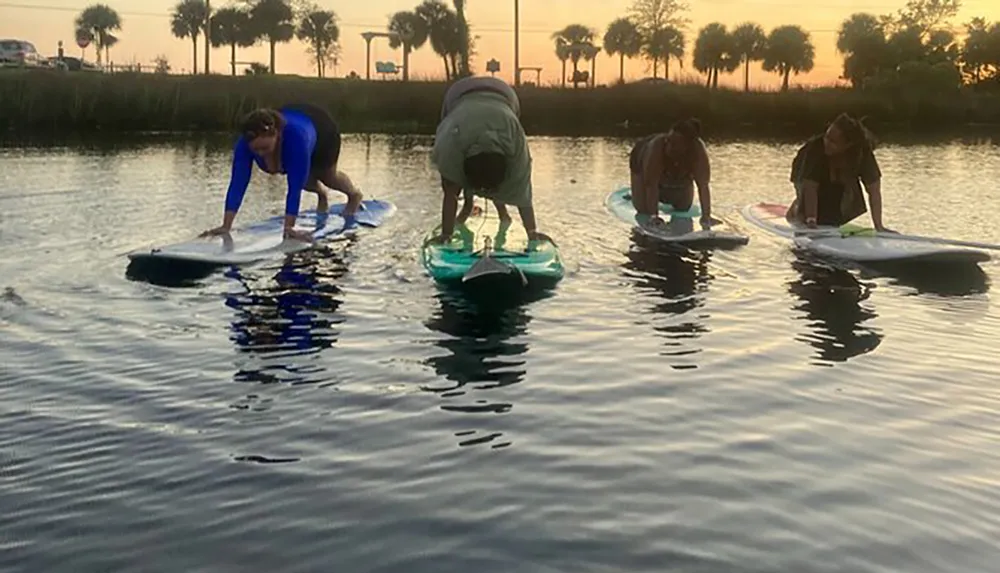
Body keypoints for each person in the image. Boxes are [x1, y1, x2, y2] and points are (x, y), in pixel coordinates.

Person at [201, 103, 363, 243]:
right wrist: (226, 226)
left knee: (326, 176)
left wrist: (289, 228)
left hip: (322, 128)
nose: (261, 153)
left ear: (277, 135)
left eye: (264, 148)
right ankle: (322, 194)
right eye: (256, 150)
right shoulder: (243, 145)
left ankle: (354, 195)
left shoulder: (296, 140)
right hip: (293, 119)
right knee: (305, 178)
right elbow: (238, 183)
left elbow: (294, 188)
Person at [429, 76, 552, 244]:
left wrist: (446, 235)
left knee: (485, 176)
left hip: (504, 98)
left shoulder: (514, 141)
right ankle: (476, 207)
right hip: (458, 99)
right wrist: (531, 232)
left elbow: (450, 193)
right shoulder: (451, 143)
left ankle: (503, 214)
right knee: (470, 176)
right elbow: (523, 194)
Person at [786, 113, 892, 231]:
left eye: (833, 141)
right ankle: (796, 208)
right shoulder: (815, 148)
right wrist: (811, 220)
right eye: (826, 136)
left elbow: (874, 190)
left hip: (838, 174)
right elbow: (810, 186)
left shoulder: (863, 154)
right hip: (804, 171)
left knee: (833, 218)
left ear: (848, 145)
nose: (826, 142)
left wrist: (879, 226)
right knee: (807, 211)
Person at [628, 118, 716, 228]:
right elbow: (651, 185)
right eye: (668, 140)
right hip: (641, 161)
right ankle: (633, 194)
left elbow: (703, 185)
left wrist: (706, 216)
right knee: (643, 209)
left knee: (683, 207)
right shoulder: (657, 148)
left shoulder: (698, 151)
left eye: (675, 144)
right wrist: (654, 216)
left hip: (679, 168)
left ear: (687, 146)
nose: (669, 146)